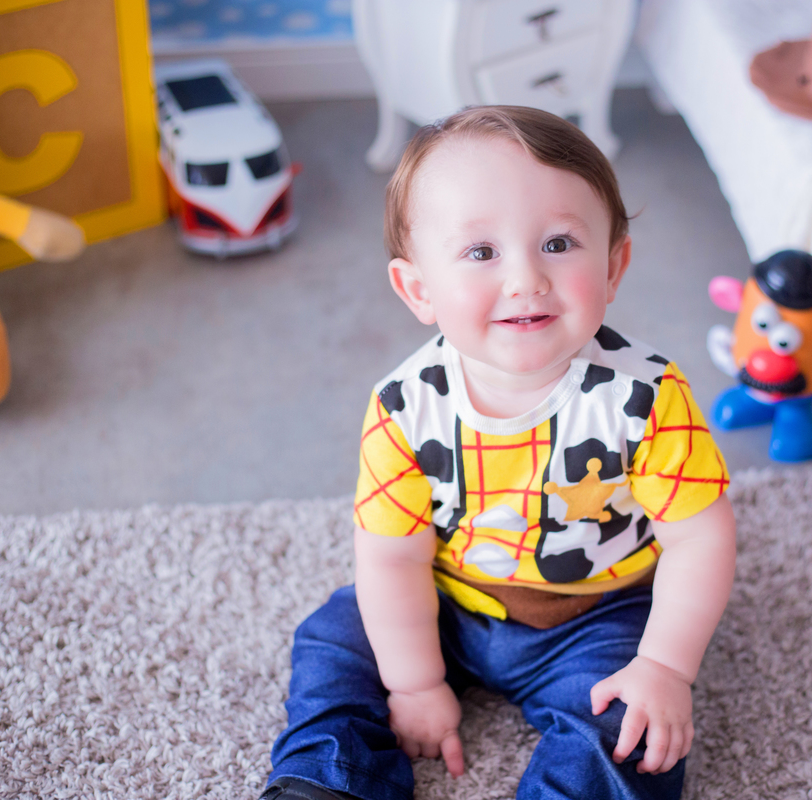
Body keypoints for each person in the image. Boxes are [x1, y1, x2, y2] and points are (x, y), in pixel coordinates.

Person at [261, 106, 737, 800]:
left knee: (632, 731)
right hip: (447, 598)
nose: (525, 279)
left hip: (597, 614)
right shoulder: (404, 406)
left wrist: (665, 666)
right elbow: (393, 555)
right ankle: (328, 782)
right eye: (482, 253)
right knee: (334, 641)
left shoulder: (645, 397)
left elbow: (700, 538)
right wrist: (415, 682)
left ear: (614, 264)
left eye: (558, 244)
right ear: (419, 289)